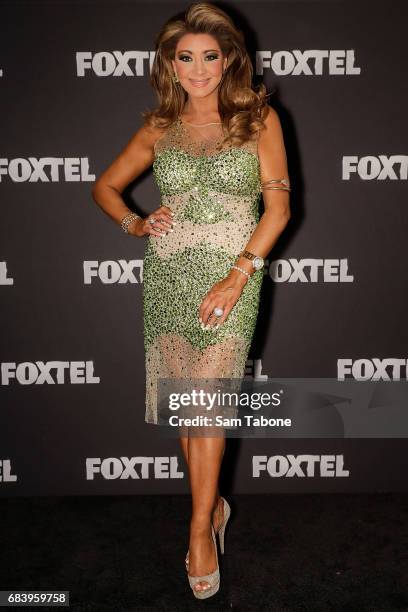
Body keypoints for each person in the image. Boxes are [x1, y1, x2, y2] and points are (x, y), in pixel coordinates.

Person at [92, 1, 291, 600]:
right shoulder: (160, 126)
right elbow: (104, 186)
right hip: (170, 275)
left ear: (227, 59)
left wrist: (238, 275)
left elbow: (279, 209)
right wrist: (135, 224)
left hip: (234, 276)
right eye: (186, 58)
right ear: (170, 64)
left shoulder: (258, 118)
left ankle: (200, 528)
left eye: (210, 56)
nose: (199, 68)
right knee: (188, 408)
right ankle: (213, 509)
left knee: (207, 407)